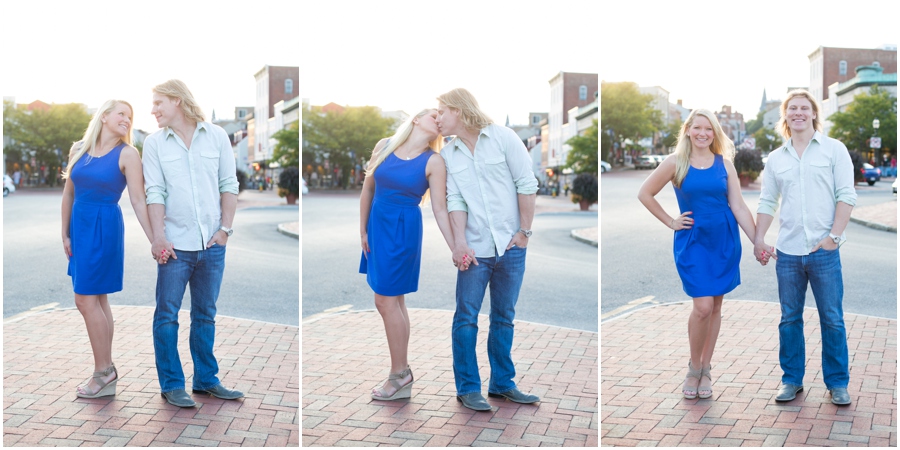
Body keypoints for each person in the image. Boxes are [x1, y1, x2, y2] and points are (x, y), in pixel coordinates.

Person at [637, 109, 757, 400]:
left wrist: (758, 241)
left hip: (724, 240)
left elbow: (738, 206)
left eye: (709, 129)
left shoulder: (724, 165)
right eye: (698, 127)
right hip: (693, 241)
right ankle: (694, 366)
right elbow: (645, 193)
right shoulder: (674, 162)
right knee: (702, 307)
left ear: (715, 134)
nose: (703, 133)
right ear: (688, 130)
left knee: (715, 307)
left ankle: (706, 368)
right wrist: (671, 221)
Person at [437, 88, 540, 411]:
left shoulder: (503, 138)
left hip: (511, 246)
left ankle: (502, 384)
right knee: (465, 319)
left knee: (504, 318)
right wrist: (460, 243)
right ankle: (468, 388)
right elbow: (455, 200)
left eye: (442, 111)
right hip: (475, 250)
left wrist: (524, 232)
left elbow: (526, 183)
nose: (438, 118)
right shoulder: (447, 155)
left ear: (459, 110)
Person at [142, 80, 242, 408]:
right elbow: (154, 192)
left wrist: (225, 229)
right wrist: (159, 237)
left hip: (212, 244)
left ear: (177, 101)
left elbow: (229, 183)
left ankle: (206, 380)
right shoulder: (155, 143)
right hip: (175, 245)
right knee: (167, 315)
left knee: (205, 315)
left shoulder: (215, 136)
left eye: (158, 102)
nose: (153, 109)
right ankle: (172, 384)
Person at [753, 90, 857, 405]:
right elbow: (768, 201)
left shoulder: (834, 150)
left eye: (804, 108)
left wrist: (833, 237)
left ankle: (837, 383)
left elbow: (847, 195)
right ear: (785, 115)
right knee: (789, 319)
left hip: (824, 252)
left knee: (832, 318)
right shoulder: (776, 158)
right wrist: (759, 238)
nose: (798, 112)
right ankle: (791, 380)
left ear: (813, 113)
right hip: (787, 252)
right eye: (792, 108)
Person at [359, 109, 455, 401]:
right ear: (416, 118)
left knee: (385, 300)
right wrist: (362, 231)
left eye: (442, 117)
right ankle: (401, 375)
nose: (438, 119)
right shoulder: (384, 145)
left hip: (403, 230)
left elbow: (439, 208)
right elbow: (368, 189)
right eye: (433, 114)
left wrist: (456, 247)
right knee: (394, 301)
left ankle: (399, 375)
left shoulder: (435, 161)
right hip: (377, 227)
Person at [61, 99, 155, 398]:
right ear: (104, 116)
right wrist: (64, 233)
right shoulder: (79, 149)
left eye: (130, 116)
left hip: (104, 227)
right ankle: (106, 371)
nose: (127, 119)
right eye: (122, 114)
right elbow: (68, 192)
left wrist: (156, 239)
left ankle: (104, 372)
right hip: (80, 227)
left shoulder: (128, 153)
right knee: (97, 301)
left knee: (85, 301)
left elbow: (139, 201)